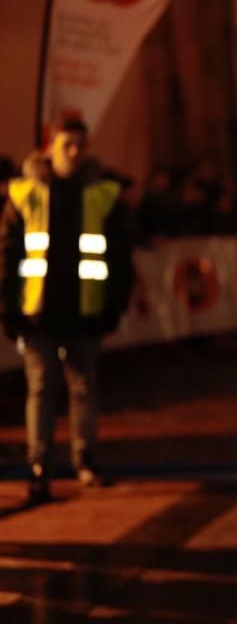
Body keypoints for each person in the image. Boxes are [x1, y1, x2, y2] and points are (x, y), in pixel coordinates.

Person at [0, 119, 134, 505]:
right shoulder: (25, 195)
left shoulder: (102, 194)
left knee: (84, 388)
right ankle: (39, 466)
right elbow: (8, 254)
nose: (74, 151)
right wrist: (9, 308)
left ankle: (85, 461)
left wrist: (114, 304)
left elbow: (119, 255)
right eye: (66, 144)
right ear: (49, 147)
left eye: (80, 144)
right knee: (42, 388)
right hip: (38, 311)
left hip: (84, 310)